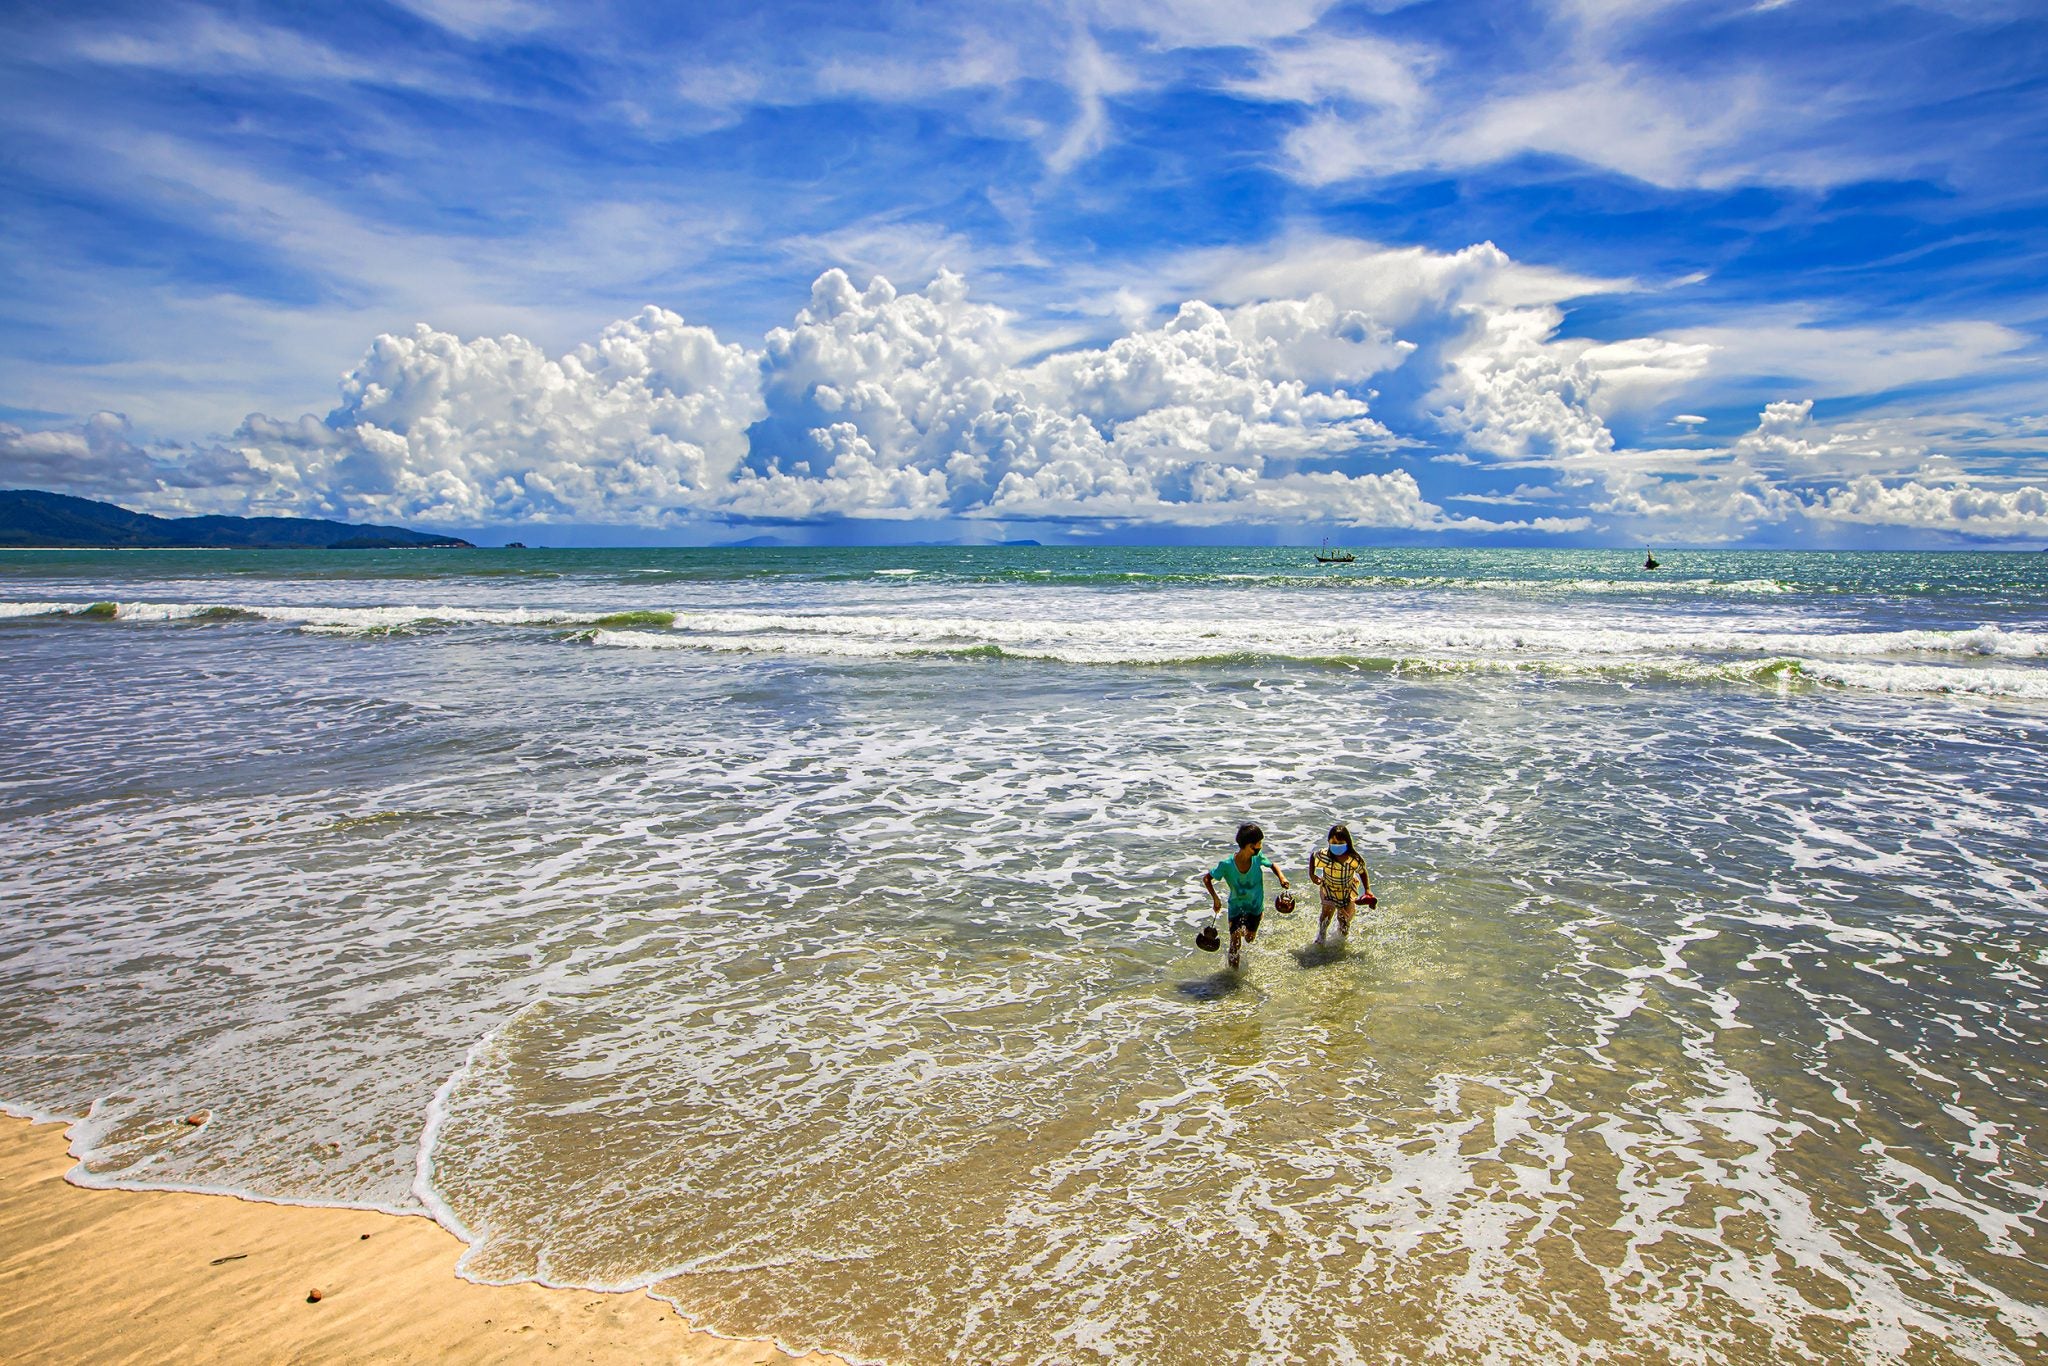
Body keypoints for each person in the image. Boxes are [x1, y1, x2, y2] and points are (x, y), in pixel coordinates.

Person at [1204, 822, 1290, 970]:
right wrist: (1216, 899)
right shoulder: (1226, 865)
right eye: (1259, 843)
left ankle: (1248, 927)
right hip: (1236, 907)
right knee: (1235, 940)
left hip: (1255, 906)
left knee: (1249, 939)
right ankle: (1233, 975)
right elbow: (1207, 879)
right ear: (1250, 846)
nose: (1260, 846)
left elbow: (1273, 865)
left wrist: (1281, 877)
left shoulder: (1258, 858)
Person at [1308, 822, 1375, 946]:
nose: (1336, 846)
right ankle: (1321, 936)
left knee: (1344, 919)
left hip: (1347, 890)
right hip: (1329, 887)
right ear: (1328, 842)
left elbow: (1362, 871)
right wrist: (1312, 875)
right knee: (1326, 914)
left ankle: (1341, 942)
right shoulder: (1325, 856)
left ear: (1347, 843)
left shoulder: (1352, 859)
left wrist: (1367, 890)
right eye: (1333, 843)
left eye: (1340, 844)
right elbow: (1313, 857)